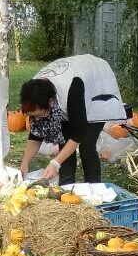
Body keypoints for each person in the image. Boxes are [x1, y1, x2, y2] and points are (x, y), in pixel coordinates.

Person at [18, 54, 127, 185]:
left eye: (39, 114)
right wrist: (25, 163)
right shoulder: (33, 94)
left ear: (51, 102)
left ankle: (94, 188)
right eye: (33, 116)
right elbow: (36, 134)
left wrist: (55, 163)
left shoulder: (72, 89)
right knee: (64, 143)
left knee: (87, 146)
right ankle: (66, 187)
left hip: (95, 87)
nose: (36, 119)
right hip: (68, 93)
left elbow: (78, 133)